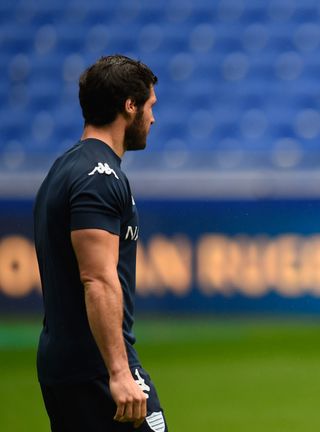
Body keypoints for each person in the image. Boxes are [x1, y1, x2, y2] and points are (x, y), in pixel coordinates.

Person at [34, 55, 167, 432]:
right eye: (150, 106)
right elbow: (97, 278)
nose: (153, 119)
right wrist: (119, 371)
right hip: (96, 366)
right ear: (130, 106)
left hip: (66, 363)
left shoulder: (64, 168)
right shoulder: (100, 176)